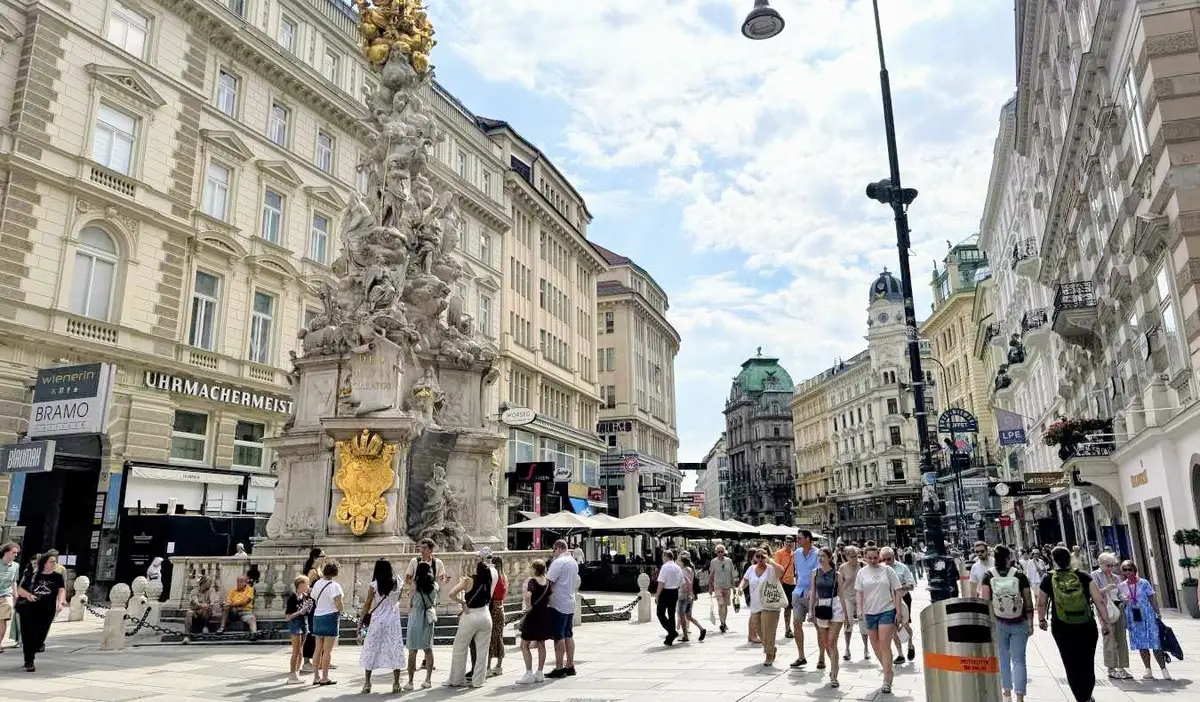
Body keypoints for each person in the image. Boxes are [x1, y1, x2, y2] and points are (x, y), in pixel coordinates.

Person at [1037, 545, 1109, 702]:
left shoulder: (1048, 578)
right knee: (1087, 662)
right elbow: (1099, 601)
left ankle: (1079, 697)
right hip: (1086, 625)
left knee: (1070, 663)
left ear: (1053, 560)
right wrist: (1105, 622)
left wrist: (1041, 620)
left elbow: (1041, 603)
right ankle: (1087, 696)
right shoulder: (1083, 576)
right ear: (1069, 558)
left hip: (1062, 626)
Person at [981, 544, 1033, 702]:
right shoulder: (1019, 575)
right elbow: (1028, 601)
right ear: (1009, 557)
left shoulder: (988, 575)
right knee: (1019, 660)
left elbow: (985, 602)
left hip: (998, 622)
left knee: (1003, 658)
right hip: (1019, 621)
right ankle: (1020, 697)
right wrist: (1030, 622)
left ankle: (1007, 694)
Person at [855, 544, 904, 695]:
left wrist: (898, 610)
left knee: (884, 643)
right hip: (869, 613)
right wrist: (859, 608)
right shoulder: (862, 572)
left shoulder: (887, 570)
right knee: (875, 646)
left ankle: (887, 678)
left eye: (875, 558)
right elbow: (858, 592)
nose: (872, 560)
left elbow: (897, 590)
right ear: (865, 557)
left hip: (887, 610)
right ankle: (888, 668)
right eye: (869, 558)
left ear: (879, 557)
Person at [445, 549, 495, 688]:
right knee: (482, 651)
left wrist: (463, 603)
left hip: (470, 615)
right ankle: (478, 681)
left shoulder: (468, 580)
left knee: (460, 648)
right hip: (485, 615)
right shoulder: (489, 581)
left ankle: (456, 679)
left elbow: (451, 594)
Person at [1118, 560, 1171, 680]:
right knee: (1142, 644)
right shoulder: (1122, 586)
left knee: (1155, 642)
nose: (1128, 572)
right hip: (1134, 617)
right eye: (1125, 570)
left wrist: (1158, 613)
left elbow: (1152, 600)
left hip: (1148, 615)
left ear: (1134, 570)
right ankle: (1148, 669)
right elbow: (1121, 603)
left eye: (1130, 569)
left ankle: (1163, 669)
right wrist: (1124, 602)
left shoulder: (1144, 583)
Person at [358, 559, 405, 694]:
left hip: (378, 619)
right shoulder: (398, 583)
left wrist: (361, 620)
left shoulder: (374, 585)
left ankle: (367, 683)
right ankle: (396, 683)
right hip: (393, 621)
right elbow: (397, 600)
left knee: (371, 649)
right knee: (395, 649)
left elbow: (367, 604)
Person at [13, 549, 64, 672]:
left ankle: (35, 647)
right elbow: (20, 590)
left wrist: (60, 602)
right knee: (28, 635)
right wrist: (28, 595)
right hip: (30, 609)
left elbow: (61, 590)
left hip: (48, 609)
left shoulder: (57, 576)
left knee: (41, 635)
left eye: (55, 562)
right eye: (51, 561)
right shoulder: (33, 575)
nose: (54, 564)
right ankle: (29, 661)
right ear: (45, 562)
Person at [807, 547, 846, 688]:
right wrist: (810, 612)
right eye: (819, 556)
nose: (820, 558)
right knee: (825, 642)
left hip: (835, 606)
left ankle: (834, 673)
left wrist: (846, 614)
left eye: (823, 556)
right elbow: (813, 592)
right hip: (822, 607)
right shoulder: (814, 573)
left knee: (831, 641)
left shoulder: (837, 574)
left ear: (830, 558)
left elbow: (842, 595)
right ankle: (834, 666)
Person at [740, 547, 785, 666]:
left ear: (767, 556)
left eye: (763, 556)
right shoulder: (751, 568)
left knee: (768, 631)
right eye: (758, 556)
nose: (760, 559)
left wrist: (770, 561)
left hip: (770, 605)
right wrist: (740, 588)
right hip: (755, 605)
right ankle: (771, 648)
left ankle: (769, 655)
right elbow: (745, 580)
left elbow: (781, 572)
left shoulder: (771, 568)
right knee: (759, 630)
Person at [1090, 552, 1131, 680]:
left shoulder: (1116, 577)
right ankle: (1111, 668)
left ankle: (1122, 667)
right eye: (1108, 565)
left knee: (1121, 638)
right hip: (1105, 608)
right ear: (1100, 564)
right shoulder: (1095, 575)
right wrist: (1106, 588)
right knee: (1109, 638)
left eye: (1112, 565)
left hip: (1118, 607)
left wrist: (1125, 598)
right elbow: (1093, 593)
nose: (1110, 568)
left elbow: (1119, 593)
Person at [545, 539, 578, 677]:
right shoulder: (573, 561)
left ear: (558, 548)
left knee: (559, 637)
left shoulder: (558, 562)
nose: (554, 553)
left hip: (558, 603)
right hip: (570, 602)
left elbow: (548, 583)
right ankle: (570, 665)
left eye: (554, 550)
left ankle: (559, 667)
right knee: (568, 635)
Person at [516, 558, 553, 684]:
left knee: (524, 645)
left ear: (535, 569)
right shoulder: (547, 582)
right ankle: (540, 672)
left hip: (533, 615)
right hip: (544, 614)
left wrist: (528, 607)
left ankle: (528, 673)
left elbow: (528, 595)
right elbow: (550, 597)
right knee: (541, 644)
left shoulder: (533, 581)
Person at [405, 561, 438, 690]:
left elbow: (409, 605)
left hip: (416, 617)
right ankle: (428, 680)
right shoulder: (434, 585)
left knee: (412, 650)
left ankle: (410, 682)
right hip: (428, 617)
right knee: (428, 649)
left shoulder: (415, 585)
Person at [790, 529, 820, 668]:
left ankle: (821, 657)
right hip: (798, 593)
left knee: (818, 626)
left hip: (813, 595)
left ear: (808, 538)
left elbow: (821, 574)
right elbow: (797, 573)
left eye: (800, 538)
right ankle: (801, 656)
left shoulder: (818, 554)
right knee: (796, 623)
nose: (797, 540)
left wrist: (814, 591)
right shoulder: (796, 554)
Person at [311, 560, 344, 687]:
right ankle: (325, 677)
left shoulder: (318, 583)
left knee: (318, 648)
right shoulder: (334, 586)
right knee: (328, 650)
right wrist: (341, 611)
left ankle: (316, 676)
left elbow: (314, 596)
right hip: (330, 617)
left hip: (317, 617)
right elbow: (338, 603)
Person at [881, 547, 916, 663]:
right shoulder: (880, 569)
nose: (886, 561)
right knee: (893, 628)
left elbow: (911, 585)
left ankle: (910, 644)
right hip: (888, 601)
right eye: (884, 559)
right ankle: (900, 654)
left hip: (903, 598)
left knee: (905, 625)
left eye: (889, 559)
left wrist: (899, 587)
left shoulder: (902, 567)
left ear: (894, 556)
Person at [837, 544, 869, 661]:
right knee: (848, 622)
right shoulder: (842, 568)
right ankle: (847, 648)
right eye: (851, 556)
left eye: (855, 556)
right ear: (846, 556)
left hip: (862, 597)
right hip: (848, 597)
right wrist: (849, 580)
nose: (854, 559)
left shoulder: (863, 565)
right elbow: (840, 587)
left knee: (863, 622)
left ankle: (866, 648)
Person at [300, 548, 326, 674]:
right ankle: (306, 662)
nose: (324, 557)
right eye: (322, 555)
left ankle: (321, 660)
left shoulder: (319, 569)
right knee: (312, 631)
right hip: (313, 605)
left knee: (320, 632)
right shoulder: (312, 571)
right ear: (315, 557)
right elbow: (306, 589)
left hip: (319, 604)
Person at [284, 575, 313, 684]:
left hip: (303, 623)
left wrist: (308, 608)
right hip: (295, 623)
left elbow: (306, 611)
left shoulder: (305, 596)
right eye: (307, 584)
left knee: (301, 650)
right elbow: (287, 617)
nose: (308, 586)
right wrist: (299, 612)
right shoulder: (293, 597)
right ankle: (292, 675)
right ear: (300, 585)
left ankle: (297, 673)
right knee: (296, 651)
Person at [654, 549, 684, 645]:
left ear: (665, 557)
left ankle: (671, 631)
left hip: (665, 592)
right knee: (671, 614)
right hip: (674, 591)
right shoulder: (677, 567)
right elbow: (681, 582)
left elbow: (661, 582)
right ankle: (670, 637)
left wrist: (657, 595)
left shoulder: (665, 567)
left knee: (660, 613)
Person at [676, 553, 706, 642]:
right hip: (690, 596)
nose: (677, 563)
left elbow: (687, 582)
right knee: (688, 616)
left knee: (682, 616)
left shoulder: (682, 571)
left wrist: (682, 588)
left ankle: (685, 636)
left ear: (682, 562)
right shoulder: (690, 570)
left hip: (683, 595)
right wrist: (691, 593)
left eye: (679, 561)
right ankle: (701, 628)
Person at [182, 575, 221, 642]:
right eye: (210, 582)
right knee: (189, 613)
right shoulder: (194, 591)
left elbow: (212, 599)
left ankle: (205, 626)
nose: (211, 583)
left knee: (206, 610)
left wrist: (211, 603)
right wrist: (202, 605)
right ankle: (187, 636)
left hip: (205, 612)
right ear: (204, 582)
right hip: (195, 612)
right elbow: (196, 602)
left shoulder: (211, 590)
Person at [708, 544, 737, 633]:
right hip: (718, 586)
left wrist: (733, 586)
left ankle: (724, 622)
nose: (720, 553)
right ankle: (722, 623)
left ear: (724, 552)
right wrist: (710, 587)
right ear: (716, 552)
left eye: (722, 551)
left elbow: (732, 574)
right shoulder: (713, 562)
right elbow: (711, 576)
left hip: (727, 586)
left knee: (725, 605)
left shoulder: (729, 561)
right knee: (721, 604)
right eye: (718, 552)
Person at [487, 555, 508, 677]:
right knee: (499, 637)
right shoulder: (504, 577)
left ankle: (488, 667)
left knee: (490, 638)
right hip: (501, 607)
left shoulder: (493, 578)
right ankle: (499, 665)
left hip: (493, 607)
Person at [774, 535, 797, 639]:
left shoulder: (794, 554)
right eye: (787, 542)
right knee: (778, 607)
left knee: (789, 608)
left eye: (791, 542)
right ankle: (773, 628)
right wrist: (780, 581)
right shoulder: (779, 553)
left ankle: (788, 629)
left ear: (793, 543)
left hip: (791, 583)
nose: (789, 544)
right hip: (782, 583)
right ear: (784, 543)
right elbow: (776, 568)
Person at [0, 542, 21, 653]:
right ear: (6, 552)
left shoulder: (16, 566)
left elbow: (14, 581)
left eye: (16, 553)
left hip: (6, 595)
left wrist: (15, 594)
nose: (16, 555)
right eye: (14, 553)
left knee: (3, 620)